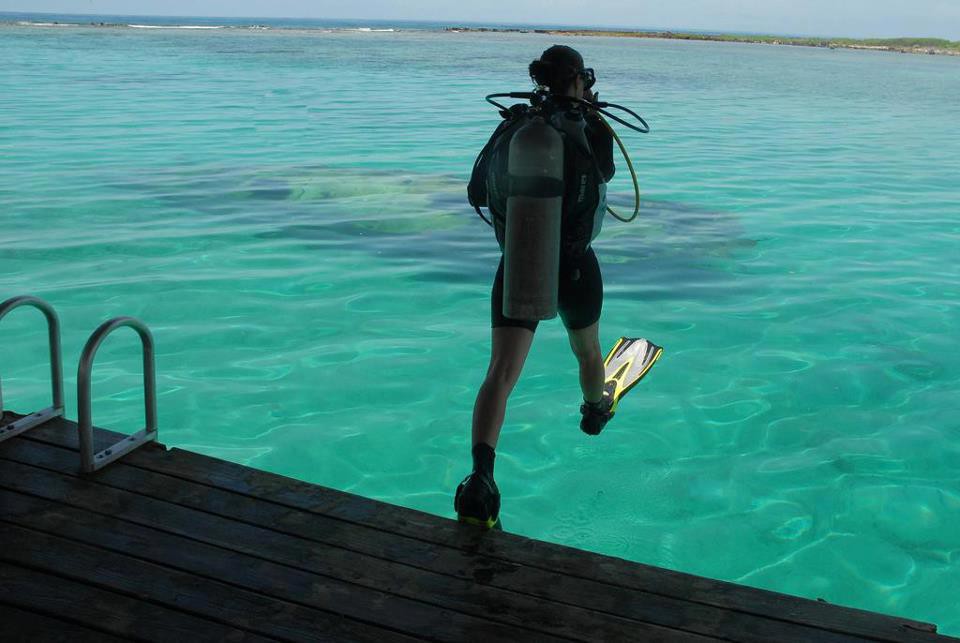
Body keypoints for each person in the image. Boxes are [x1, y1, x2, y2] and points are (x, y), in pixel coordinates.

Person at [456, 45, 617, 529]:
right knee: (587, 351)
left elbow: (478, 191)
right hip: (573, 266)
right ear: (580, 79)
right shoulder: (591, 127)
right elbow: (606, 173)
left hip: (520, 259)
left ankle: (481, 478)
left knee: (500, 373)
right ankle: (595, 410)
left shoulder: (516, 126)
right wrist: (589, 113)